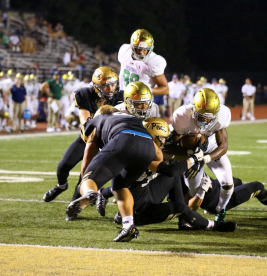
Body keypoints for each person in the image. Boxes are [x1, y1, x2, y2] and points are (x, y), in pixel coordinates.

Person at [99, 117, 237, 233]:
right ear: (154, 137)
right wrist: (193, 159)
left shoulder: (145, 146)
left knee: (172, 178)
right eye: (162, 138)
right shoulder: (143, 154)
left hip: (144, 193)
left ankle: (183, 219)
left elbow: (170, 165)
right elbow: (171, 169)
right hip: (140, 210)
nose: (165, 141)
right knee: (181, 206)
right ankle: (213, 225)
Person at [65, 106, 159, 242]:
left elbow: (89, 152)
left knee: (90, 179)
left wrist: (85, 180)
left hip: (122, 139)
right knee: (121, 186)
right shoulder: (134, 119)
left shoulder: (98, 119)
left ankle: (90, 193)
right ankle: (128, 225)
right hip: (147, 147)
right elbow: (159, 156)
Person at [43, 67, 124, 202]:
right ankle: (61, 186)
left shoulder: (120, 97)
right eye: (105, 86)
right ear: (96, 87)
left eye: (112, 84)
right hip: (87, 138)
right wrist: (92, 125)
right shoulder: (85, 94)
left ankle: (76, 203)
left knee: (84, 178)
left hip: (105, 145)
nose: (110, 89)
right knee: (62, 167)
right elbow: (85, 121)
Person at [171, 88, 234, 222]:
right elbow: (171, 146)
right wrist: (190, 155)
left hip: (211, 150)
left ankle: (220, 209)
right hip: (192, 153)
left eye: (208, 118)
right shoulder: (182, 116)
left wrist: (206, 158)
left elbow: (223, 146)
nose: (205, 121)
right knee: (193, 190)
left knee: (228, 184)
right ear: (193, 109)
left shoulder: (222, 115)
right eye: (201, 117)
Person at [118, 29, 169, 96]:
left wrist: (146, 90)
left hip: (141, 103)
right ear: (132, 47)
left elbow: (165, 89)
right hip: (122, 98)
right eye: (139, 48)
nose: (142, 52)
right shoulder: (125, 51)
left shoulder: (153, 61)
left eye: (145, 49)